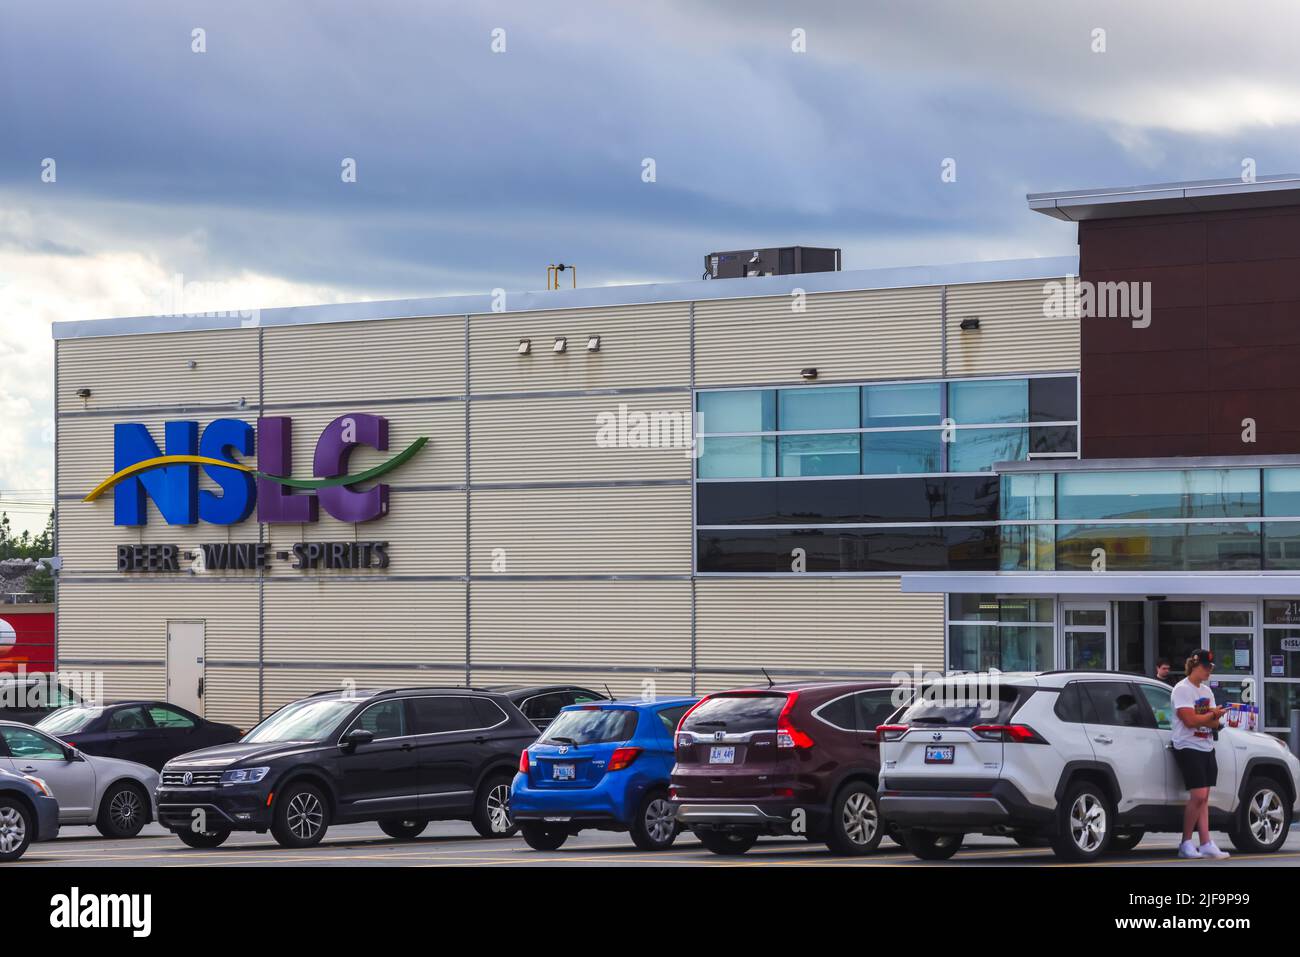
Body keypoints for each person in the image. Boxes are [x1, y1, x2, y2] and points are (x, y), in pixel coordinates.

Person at [1170, 649, 1230, 859]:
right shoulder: (1182, 689)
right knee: (1198, 795)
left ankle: (1206, 842)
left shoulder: (1207, 691)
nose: (1208, 671)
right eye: (1205, 667)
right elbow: (1189, 720)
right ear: (1193, 665)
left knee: (1204, 798)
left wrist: (1211, 716)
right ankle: (1186, 842)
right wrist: (1212, 714)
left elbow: (1214, 723)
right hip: (1187, 745)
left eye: (1210, 667)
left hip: (1205, 745)